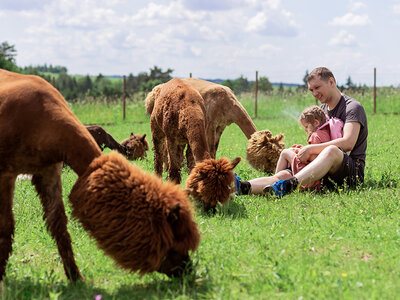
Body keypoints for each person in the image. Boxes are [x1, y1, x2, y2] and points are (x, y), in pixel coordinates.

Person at [236, 66, 368, 197]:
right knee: (285, 174)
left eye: (317, 88)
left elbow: (348, 142)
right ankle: (241, 187)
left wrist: (311, 149)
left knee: (332, 150)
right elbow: (319, 140)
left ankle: (289, 185)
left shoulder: (352, 107)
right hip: (322, 171)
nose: (314, 93)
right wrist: (303, 150)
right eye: (311, 90)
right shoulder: (321, 110)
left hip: (350, 172)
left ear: (331, 82)